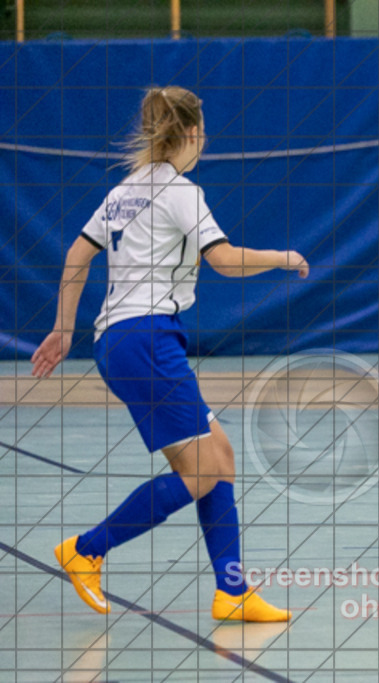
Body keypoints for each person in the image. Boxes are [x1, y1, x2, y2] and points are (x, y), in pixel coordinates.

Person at [31, 86, 308, 621]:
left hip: (119, 340)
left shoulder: (123, 192)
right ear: (192, 133)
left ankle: (233, 591)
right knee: (204, 471)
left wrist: (64, 330)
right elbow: (224, 260)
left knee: (218, 458)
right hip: (148, 338)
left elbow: (75, 256)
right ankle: (87, 549)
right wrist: (283, 257)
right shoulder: (182, 192)